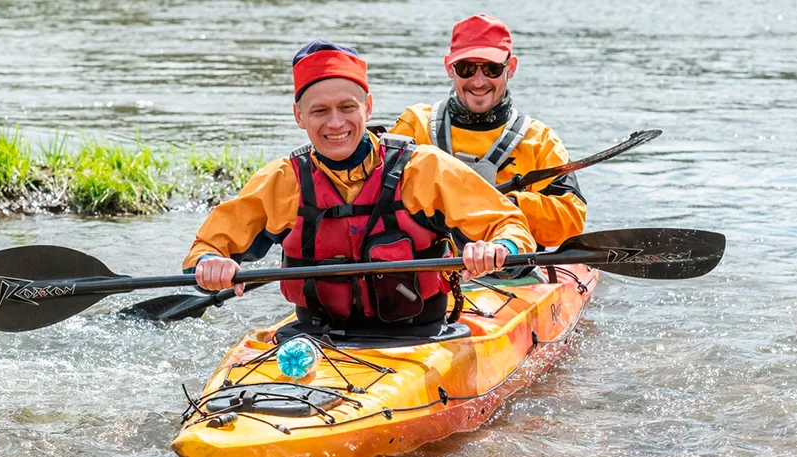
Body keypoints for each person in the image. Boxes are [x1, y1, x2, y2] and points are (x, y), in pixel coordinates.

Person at [182, 39, 535, 331]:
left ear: (367, 107)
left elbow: (511, 226)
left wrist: (496, 248)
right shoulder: (283, 180)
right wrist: (212, 262)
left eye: (347, 107)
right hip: (315, 335)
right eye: (320, 111)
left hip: (420, 336)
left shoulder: (424, 169)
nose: (335, 123)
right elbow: (209, 245)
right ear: (299, 116)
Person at [390, 14, 586, 250]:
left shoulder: (539, 139)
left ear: (510, 67)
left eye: (492, 69)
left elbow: (571, 219)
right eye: (467, 68)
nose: (479, 81)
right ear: (449, 67)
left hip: (511, 273)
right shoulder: (415, 124)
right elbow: (380, 194)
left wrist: (504, 202)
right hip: (429, 268)